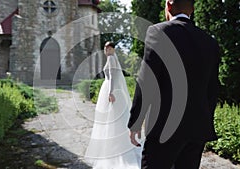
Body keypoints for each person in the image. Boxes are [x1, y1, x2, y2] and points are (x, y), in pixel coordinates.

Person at [128, 0, 220, 169]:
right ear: (192, 9)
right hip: (197, 129)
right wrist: (204, 121)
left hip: (164, 127)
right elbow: (212, 90)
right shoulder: (210, 42)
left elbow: (147, 80)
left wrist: (135, 121)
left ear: (168, 6)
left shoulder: (158, 31)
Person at [85, 42, 142, 169]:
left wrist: (110, 92)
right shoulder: (112, 58)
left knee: (110, 119)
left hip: (111, 91)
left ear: (112, 49)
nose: (105, 50)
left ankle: (114, 148)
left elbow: (111, 77)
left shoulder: (111, 58)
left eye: (108, 48)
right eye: (105, 48)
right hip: (115, 91)